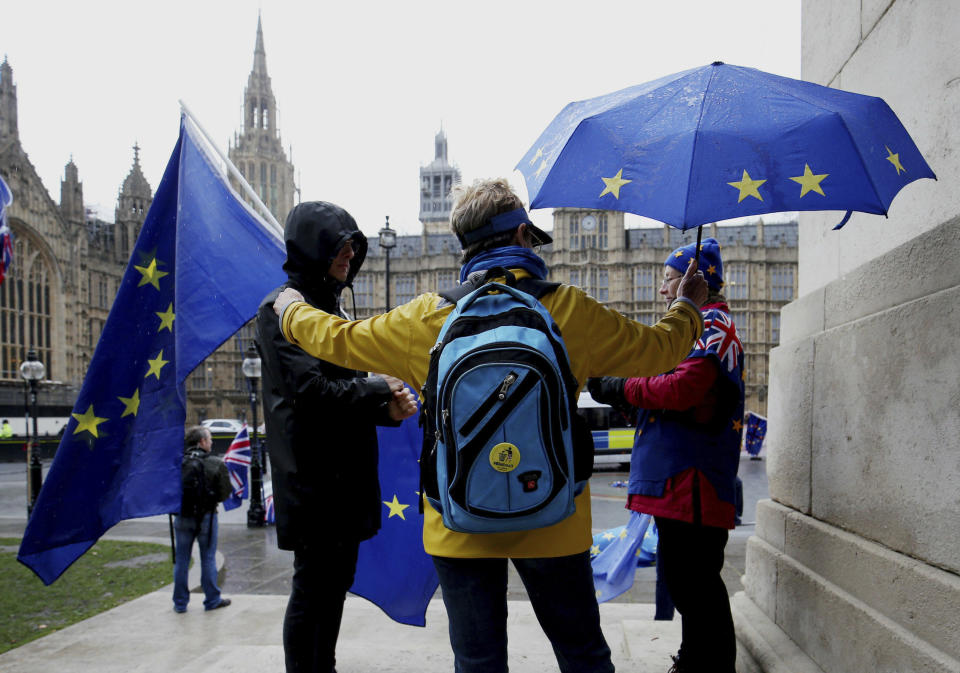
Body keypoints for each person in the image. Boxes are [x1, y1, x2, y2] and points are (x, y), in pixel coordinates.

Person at [271, 178, 708, 673]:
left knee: (478, 661)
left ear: (463, 245)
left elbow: (337, 339)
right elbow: (662, 350)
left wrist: (289, 311)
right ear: (523, 235)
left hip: (458, 522)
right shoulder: (569, 308)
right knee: (583, 654)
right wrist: (688, 305)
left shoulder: (427, 317)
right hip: (555, 519)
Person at [255, 201, 418, 673]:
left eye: (353, 246)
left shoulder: (331, 309)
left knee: (333, 586)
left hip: (345, 476)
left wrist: (385, 409)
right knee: (312, 589)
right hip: (314, 479)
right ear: (313, 247)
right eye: (339, 246)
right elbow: (309, 392)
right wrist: (376, 386)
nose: (349, 255)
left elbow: (343, 398)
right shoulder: (281, 310)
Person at [588, 237, 744, 673]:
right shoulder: (698, 328)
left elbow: (680, 389)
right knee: (689, 584)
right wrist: (623, 395)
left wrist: (623, 384)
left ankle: (710, 667)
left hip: (690, 479)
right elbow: (673, 399)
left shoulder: (709, 328)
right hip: (680, 477)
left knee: (695, 586)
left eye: (670, 281)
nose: (662, 292)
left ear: (694, 283)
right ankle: (696, 660)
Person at [172, 425, 232, 613]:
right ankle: (212, 599)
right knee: (208, 558)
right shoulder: (214, 463)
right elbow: (224, 493)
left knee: (181, 560)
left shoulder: (177, 463)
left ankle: (180, 603)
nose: (212, 442)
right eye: (210, 439)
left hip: (183, 516)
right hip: (207, 516)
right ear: (202, 442)